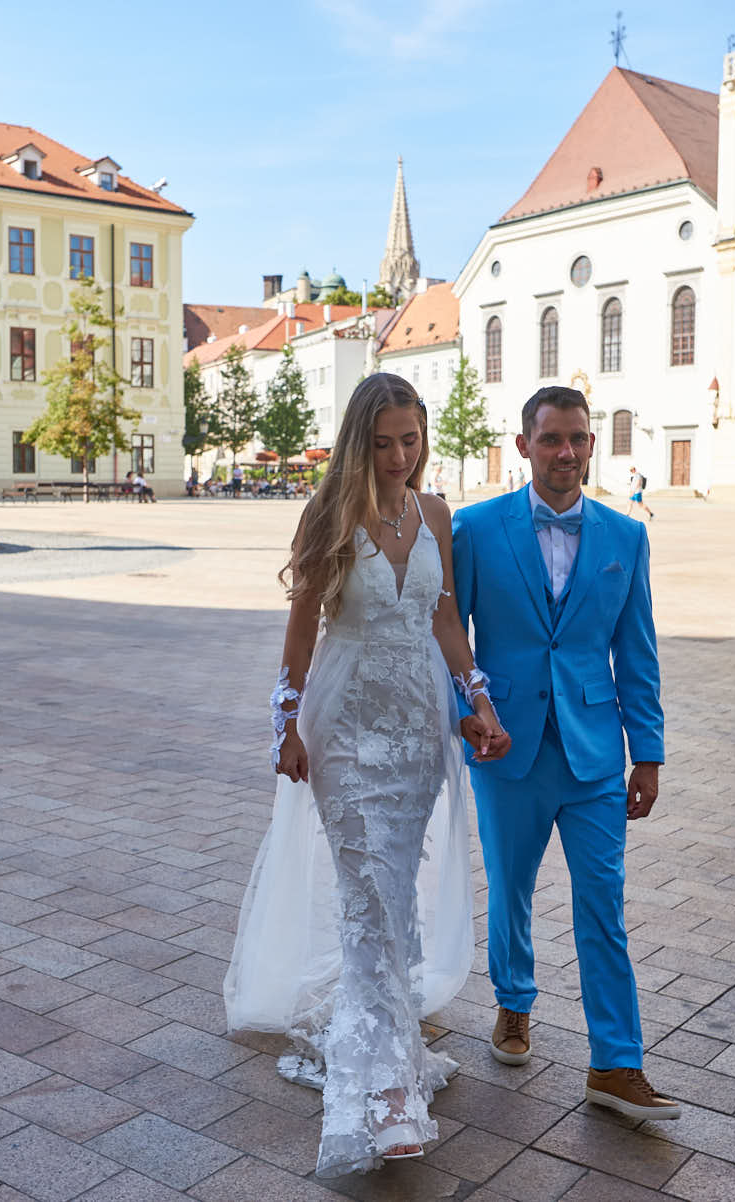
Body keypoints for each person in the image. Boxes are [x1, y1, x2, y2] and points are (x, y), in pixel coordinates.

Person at [225, 373, 509, 1175]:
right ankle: (383, 1092)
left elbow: (444, 619)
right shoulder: (327, 514)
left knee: (395, 901)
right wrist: (286, 725)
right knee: (369, 900)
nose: (398, 457)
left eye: (410, 440)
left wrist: (477, 700)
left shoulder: (436, 515)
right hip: (344, 727)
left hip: (419, 726)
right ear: (359, 442)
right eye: (383, 443)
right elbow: (299, 638)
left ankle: (387, 1049)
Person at [452, 385, 680, 1123]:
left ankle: (616, 1064)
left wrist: (647, 753)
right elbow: (450, 640)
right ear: (524, 445)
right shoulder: (476, 530)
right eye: (551, 439)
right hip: (506, 745)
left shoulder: (625, 537)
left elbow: (636, 654)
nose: (568, 453)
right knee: (509, 887)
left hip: (592, 754)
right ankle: (514, 1003)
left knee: (602, 907)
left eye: (579, 438)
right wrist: (467, 717)